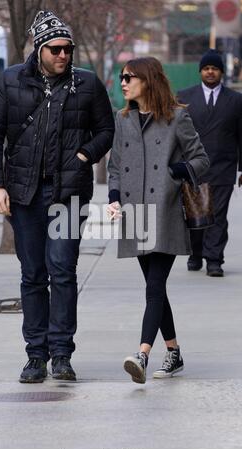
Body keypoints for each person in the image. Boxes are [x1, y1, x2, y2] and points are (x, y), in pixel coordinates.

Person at [0, 10, 114, 383]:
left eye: (67, 49)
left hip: (68, 195)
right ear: (39, 48)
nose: (63, 56)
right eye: (56, 49)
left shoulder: (86, 85)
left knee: (63, 270)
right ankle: (35, 355)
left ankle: (61, 354)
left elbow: (106, 129)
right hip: (24, 195)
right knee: (33, 275)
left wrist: (85, 155)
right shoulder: (10, 81)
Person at [107, 57, 209, 384]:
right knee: (156, 289)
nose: (123, 83)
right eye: (122, 78)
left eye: (129, 77)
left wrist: (174, 173)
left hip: (164, 211)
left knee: (154, 286)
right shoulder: (122, 119)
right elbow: (114, 166)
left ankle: (142, 355)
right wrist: (112, 199)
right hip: (134, 214)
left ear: (147, 80)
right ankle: (175, 352)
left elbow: (201, 160)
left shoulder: (177, 117)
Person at [178, 49, 242, 277]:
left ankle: (214, 260)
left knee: (217, 217)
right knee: (196, 215)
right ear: (200, 72)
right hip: (193, 167)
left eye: (214, 68)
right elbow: (175, 134)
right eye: (206, 68)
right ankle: (196, 254)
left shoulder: (236, 100)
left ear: (221, 72)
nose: (210, 72)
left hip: (224, 166)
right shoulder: (183, 98)